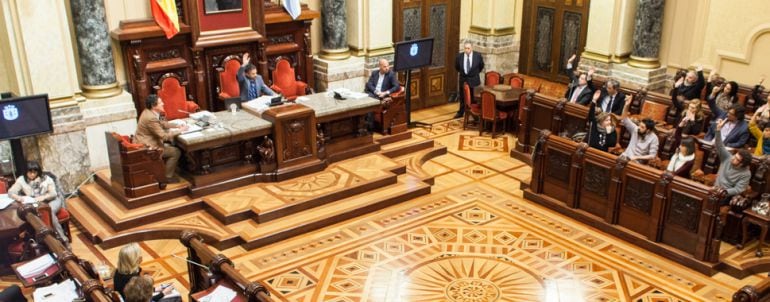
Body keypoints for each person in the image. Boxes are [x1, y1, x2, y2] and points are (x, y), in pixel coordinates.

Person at [8, 161, 68, 244]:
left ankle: (63, 239)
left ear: (38, 172)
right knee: (32, 215)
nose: (32, 174)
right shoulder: (21, 180)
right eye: (30, 172)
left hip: (52, 201)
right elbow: (11, 192)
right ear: (26, 172)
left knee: (48, 212)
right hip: (36, 203)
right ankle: (43, 241)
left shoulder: (47, 179)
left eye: (34, 172)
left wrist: (42, 197)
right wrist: (19, 198)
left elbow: (53, 194)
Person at [134, 95, 188, 183]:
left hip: (144, 142)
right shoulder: (150, 118)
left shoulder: (149, 112)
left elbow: (162, 123)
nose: (163, 104)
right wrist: (180, 130)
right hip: (148, 147)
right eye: (160, 103)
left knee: (173, 146)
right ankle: (167, 177)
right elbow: (164, 136)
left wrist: (177, 125)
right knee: (175, 152)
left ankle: (175, 169)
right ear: (153, 105)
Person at [713, 118, 752, 222]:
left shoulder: (746, 173)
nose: (733, 158)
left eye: (736, 159)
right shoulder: (728, 158)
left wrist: (725, 191)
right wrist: (718, 130)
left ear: (742, 164)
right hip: (714, 189)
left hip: (725, 196)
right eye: (735, 156)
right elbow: (719, 146)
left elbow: (739, 189)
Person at [453, 42, 485, 118]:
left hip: (474, 79)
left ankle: (474, 114)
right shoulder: (459, 57)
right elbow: (457, 67)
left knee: (474, 97)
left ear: (471, 48)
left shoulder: (477, 56)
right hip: (463, 79)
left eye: (468, 48)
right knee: (462, 97)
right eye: (465, 48)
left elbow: (481, 66)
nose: (467, 50)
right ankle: (461, 112)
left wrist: (474, 73)